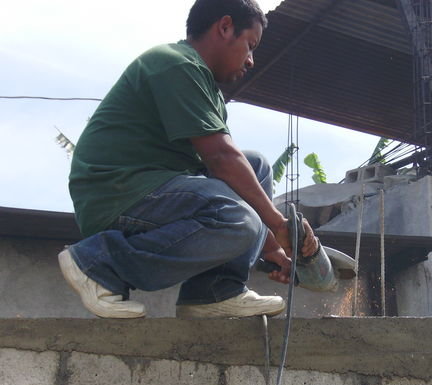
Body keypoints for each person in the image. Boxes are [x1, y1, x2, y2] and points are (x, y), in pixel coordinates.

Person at [58, 0, 317, 319]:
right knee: (239, 218)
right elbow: (220, 157)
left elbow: (224, 169)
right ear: (224, 27)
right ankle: (98, 264)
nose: (251, 60)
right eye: (250, 46)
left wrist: (272, 249)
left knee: (257, 166)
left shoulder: (203, 85)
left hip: (152, 189)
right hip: (118, 192)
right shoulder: (175, 64)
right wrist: (279, 224)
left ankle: (213, 292)